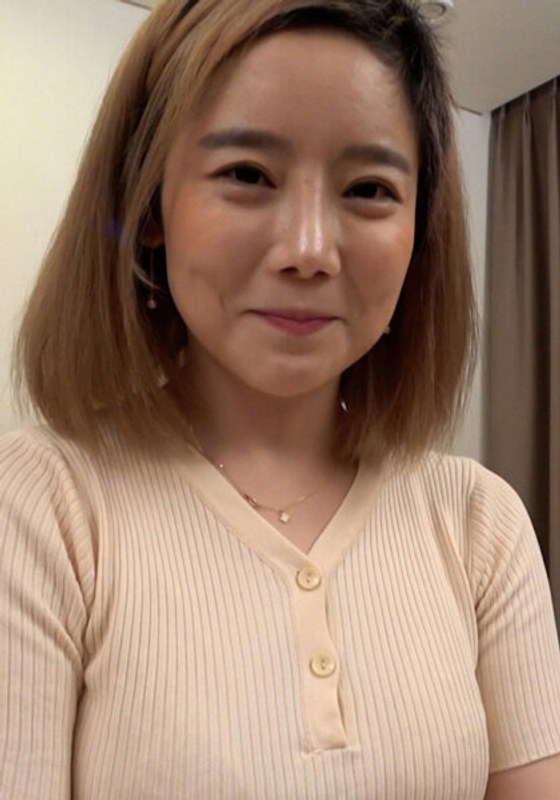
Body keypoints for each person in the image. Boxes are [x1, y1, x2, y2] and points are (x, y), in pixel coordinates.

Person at [1, 0, 560, 797]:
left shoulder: (479, 522)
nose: (308, 250)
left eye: (368, 188)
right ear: (149, 204)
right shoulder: (42, 506)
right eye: (247, 175)